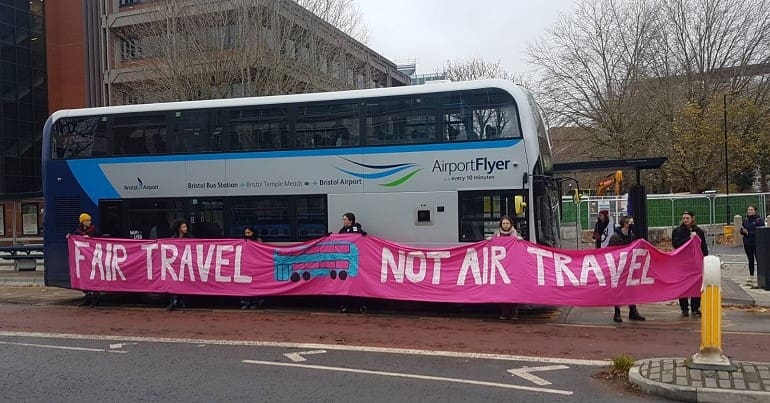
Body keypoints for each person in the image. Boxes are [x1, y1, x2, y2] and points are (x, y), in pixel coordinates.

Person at [608, 216, 646, 323]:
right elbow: (611, 253)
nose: (633, 224)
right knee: (618, 290)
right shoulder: (615, 237)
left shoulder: (632, 236)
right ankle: (617, 312)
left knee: (631, 289)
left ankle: (632, 311)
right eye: (631, 223)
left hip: (630, 267)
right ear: (625, 224)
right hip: (619, 268)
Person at [671, 210, 708, 317]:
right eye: (684, 218)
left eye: (687, 218)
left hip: (695, 262)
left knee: (696, 285)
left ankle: (695, 308)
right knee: (682, 285)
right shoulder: (677, 231)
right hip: (682, 262)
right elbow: (676, 244)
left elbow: (703, 246)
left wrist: (705, 258)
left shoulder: (698, 231)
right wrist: (689, 238)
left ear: (692, 218)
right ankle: (684, 308)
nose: (685, 220)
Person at [67, 213, 99, 307]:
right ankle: (87, 298)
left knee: (94, 278)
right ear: (83, 222)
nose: (89, 222)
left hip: (93, 258)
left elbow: (100, 240)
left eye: (90, 220)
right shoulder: (78, 231)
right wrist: (70, 236)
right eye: (87, 220)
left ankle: (95, 300)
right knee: (85, 278)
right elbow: (74, 236)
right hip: (84, 260)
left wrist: (91, 239)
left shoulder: (94, 230)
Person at [338, 212, 367, 313]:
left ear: (351, 220)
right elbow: (338, 241)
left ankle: (362, 305)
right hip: (346, 262)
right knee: (345, 285)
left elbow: (363, 240)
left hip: (355, 262)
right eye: (343, 219)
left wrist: (363, 235)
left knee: (357, 284)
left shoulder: (357, 230)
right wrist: (329, 237)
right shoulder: (342, 230)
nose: (344, 221)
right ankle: (345, 306)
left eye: (345, 219)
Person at [495, 216, 519, 320]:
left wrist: (520, 241)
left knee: (514, 291)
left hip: (513, 268)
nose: (505, 225)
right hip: (501, 269)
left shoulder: (516, 236)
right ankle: (504, 313)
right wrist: (489, 241)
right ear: (501, 224)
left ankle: (514, 313)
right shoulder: (497, 235)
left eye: (507, 223)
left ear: (511, 224)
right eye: (504, 223)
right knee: (502, 291)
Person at [167, 219, 191, 311]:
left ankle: (182, 301)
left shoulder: (190, 238)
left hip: (186, 265)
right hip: (176, 265)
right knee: (173, 283)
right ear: (179, 229)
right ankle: (173, 302)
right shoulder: (173, 238)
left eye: (186, 226)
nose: (186, 228)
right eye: (184, 227)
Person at [240, 226, 264, 310]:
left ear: (253, 233)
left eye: (249, 233)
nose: (247, 235)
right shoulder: (242, 241)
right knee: (244, 285)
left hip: (256, 266)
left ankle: (256, 303)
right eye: (246, 233)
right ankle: (246, 303)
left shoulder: (258, 241)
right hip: (245, 266)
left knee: (255, 285)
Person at [740, 205, 764, 286]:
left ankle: (761, 276)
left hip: (756, 243)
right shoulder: (745, 220)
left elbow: (760, 231)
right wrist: (743, 231)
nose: (749, 211)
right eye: (748, 210)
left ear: (755, 211)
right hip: (747, 243)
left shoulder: (759, 220)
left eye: (751, 210)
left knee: (759, 260)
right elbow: (741, 230)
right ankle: (751, 275)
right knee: (750, 259)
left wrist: (749, 233)